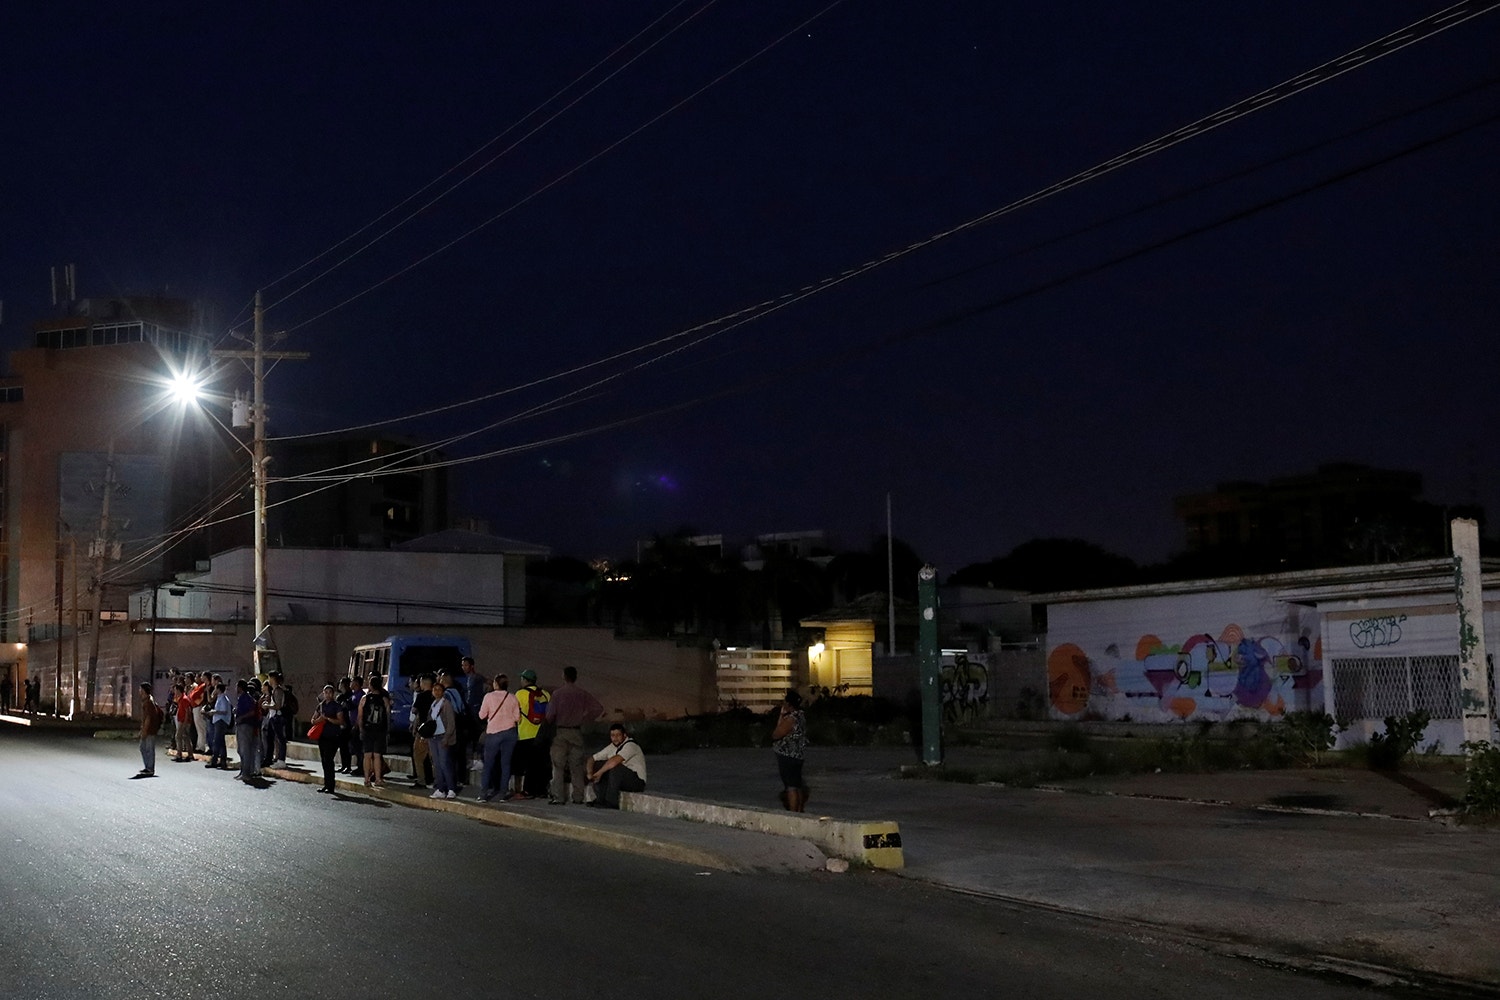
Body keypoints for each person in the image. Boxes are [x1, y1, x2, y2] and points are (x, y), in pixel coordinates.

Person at [547, 666, 603, 805]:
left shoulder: (557, 694)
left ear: (564, 677)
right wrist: (584, 719)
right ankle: (578, 797)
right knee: (576, 766)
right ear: (575, 677)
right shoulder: (582, 693)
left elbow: (550, 715)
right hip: (576, 732)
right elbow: (598, 708)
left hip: (561, 733)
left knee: (558, 766)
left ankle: (558, 797)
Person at [476, 673, 518, 802]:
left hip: (494, 733)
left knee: (488, 764)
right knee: (505, 764)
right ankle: (502, 794)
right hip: (510, 733)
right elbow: (517, 718)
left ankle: (483, 794)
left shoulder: (489, 697)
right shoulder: (512, 697)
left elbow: (482, 715)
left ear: (496, 684)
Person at [585, 723, 646, 809]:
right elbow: (592, 759)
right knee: (599, 764)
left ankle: (611, 803)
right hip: (621, 779)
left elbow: (615, 760)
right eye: (613, 735)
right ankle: (600, 800)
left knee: (615, 767)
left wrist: (599, 773)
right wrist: (590, 773)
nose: (615, 738)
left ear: (624, 735)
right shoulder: (612, 746)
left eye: (618, 735)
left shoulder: (631, 745)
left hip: (637, 782)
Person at [513, 669, 550, 799]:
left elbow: (515, 713)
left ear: (525, 680)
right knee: (541, 763)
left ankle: (528, 790)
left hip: (525, 734)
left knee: (529, 764)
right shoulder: (545, 694)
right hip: (542, 734)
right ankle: (542, 790)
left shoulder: (520, 694)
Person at [771, 689, 809, 812]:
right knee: (797, 784)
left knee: (791, 786)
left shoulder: (791, 719)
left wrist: (781, 716)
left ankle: (793, 813)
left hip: (788, 756)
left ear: (789, 704)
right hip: (798, 755)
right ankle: (799, 809)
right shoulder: (801, 716)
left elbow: (776, 734)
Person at [426, 677, 459, 800]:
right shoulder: (433, 704)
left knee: (445, 763)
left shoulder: (446, 704)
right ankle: (440, 788)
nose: (437, 692)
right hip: (433, 738)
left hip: (442, 737)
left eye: (439, 689)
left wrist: (447, 737)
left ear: (443, 691)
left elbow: (451, 723)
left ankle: (451, 788)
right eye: (435, 690)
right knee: (437, 764)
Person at [313, 684, 347, 794]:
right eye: (326, 692)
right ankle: (326, 784)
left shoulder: (337, 706)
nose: (328, 695)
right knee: (324, 760)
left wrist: (328, 719)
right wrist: (320, 719)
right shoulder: (321, 706)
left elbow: (340, 721)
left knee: (328, 760)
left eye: (330, 692)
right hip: (322, 736)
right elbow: (313, 720)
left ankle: (330, 785)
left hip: (333, 736)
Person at [359, 674, 392, 788]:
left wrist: (360, 729)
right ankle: (378, 779)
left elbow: (360, 716)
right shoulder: (384, 699)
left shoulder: (364, 699)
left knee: (367, 755)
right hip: (380, 730)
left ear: (371, 686)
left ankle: (366, 779)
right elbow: (388, 716)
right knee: (377, 755)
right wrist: (387, 731)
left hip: (367, 730)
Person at [409, 674, 434, 789]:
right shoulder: (435, 696)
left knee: (418, 756)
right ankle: (436, 780)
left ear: (423, 683)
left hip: (423, 731)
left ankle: (421, 780)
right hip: (435, 731)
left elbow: (416, 712)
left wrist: (414, 727)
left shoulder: (421, 696)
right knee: (433, 758)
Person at [233, 679, 261, 782]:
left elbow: (252, 712)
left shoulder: (246, 698)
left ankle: (247, 773)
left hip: (245, 726)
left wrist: (242, 717)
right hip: (241, 725)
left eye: (237, 686)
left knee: (246, 750)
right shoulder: (241, 698)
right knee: (240, 750)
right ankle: (242, 771)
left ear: (240, 687)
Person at [259, 672, 286, 767]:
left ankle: (281, 759)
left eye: (269, 678)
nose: (269, 680)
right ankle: (268, 759)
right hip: (272, 717)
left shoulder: (278, 691)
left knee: (279, 739)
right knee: (269, 739)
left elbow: (278, 705)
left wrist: (267, 705)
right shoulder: (274, 690)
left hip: (277, 717)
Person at [135, 682, 163, 777]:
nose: (139, 691)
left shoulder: (149, 702)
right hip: (148, 728)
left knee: (148, 748)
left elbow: (149, 718)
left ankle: (150, 768)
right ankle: (147, 766)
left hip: (150, 729)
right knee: (143, 747)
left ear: (144, 690)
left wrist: (144, 730)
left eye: (140, 689)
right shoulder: (147, 700)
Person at [207, 681, 232, 769]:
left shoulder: (223, 699)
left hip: (221, 721)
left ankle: (214, 761)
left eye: (215, 688)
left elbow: (224, 711)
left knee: (217, 741)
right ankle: (222, 761)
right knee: (221, 742)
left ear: (218, 689)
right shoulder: (219, 698)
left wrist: (215, 712)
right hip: (218, 720)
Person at [171, 681, 194, 762]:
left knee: (178, 736)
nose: (174, 692)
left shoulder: (184, 699)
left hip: (183, 721)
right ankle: (190, 754)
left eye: (175, 690)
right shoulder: (181, 699)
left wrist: (185, 722)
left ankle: (179, 754)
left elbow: (188, 711)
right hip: (182, 720)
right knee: (185, 737)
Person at [188, 672, 211, 755]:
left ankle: (201, 746)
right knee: (199, 728)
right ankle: (199, 745)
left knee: (201, 728)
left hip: (199, 707)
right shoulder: (198, 686)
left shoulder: (203, 686)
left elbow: (194, 696)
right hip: (195, 707)